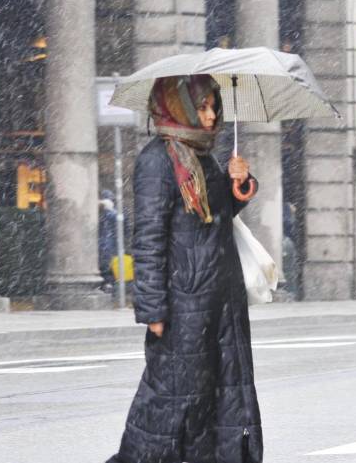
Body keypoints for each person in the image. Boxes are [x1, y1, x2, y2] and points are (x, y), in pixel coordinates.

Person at [107, 75, 263, 463]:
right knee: (169, 407)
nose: (211, 116)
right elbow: (148, 238)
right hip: (182, 308)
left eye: (213, 106)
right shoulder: (157, 161)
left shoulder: (202, 157)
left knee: (214, 403)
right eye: (203, 107)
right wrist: (153, 310)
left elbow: (213, 219)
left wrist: (238, 188)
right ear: (178, 107)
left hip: (218, 304)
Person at [99, 189, 119, 291]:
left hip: (107, 246)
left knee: (106, 266)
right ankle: (108, 285)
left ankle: (108, 285)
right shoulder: (104, 213)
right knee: (106, 267)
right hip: (106, 245)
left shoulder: (112, 213)